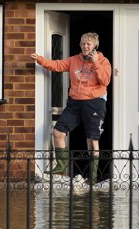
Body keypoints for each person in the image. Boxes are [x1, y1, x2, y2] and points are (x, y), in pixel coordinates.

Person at [31, 32, 111, 182]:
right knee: (57, 132)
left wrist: (96, 63)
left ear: (95, 45)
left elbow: (105, 81)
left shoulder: (103, 61)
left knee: (92, 140)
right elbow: (57, 65)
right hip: (74, 102)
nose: (85, 46)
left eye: (88, 44)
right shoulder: (74, 60)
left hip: (94, 102)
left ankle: (92, 177)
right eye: (83, 43)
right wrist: (40, 60)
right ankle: (61, 166)